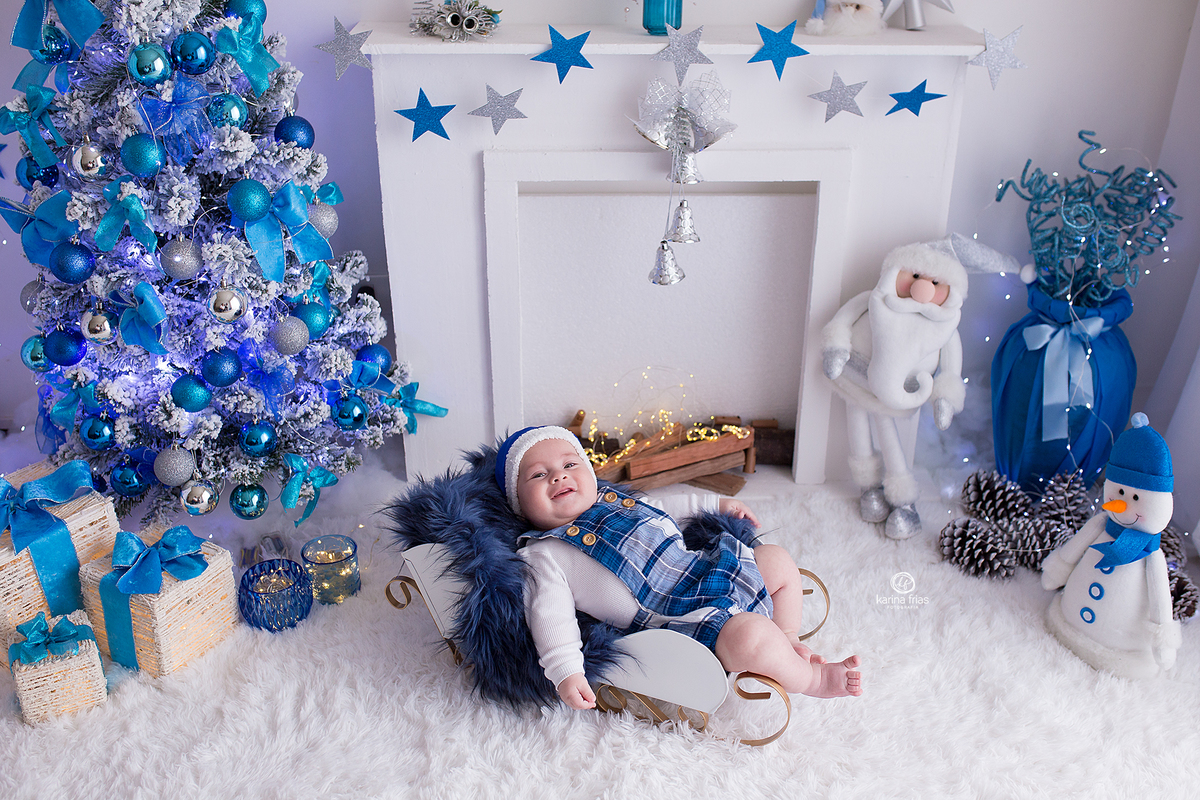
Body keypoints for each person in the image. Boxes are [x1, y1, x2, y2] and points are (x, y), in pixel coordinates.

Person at [496, 425, 863, 710]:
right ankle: (812, 679)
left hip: (705, 571)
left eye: (569, 464)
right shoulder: (545, 553)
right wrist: (566, 670)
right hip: (679, 617)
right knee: (750, 638)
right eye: (538, 475)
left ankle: (788, 636)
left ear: (591, 475)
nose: (558, 476)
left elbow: (670, 506)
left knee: (777, 560)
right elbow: (549, 613)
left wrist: (717, 504)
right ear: (518, 505)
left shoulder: (618, 499)